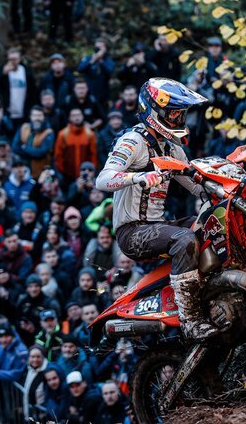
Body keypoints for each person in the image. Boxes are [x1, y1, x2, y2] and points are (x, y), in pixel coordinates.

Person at [95, 77, 218, 341]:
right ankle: (191, 321)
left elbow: (195, 184)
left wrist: (222, 181)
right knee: (185, 239)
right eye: (173, 113)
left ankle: (218, 294)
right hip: (133, 232)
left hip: (158, 225)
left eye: (180, 114)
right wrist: (136, 177)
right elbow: (102, 180)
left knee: (214, 223)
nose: (178, 119)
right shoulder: (132, 141)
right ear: (153, 111)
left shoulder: (172, 147)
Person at [0, 48, 38, 129]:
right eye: (10, 59)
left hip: (24, 112)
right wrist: (3, 73)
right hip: (7, 112)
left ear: (20, 59)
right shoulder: (3, 69)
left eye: (15, 59)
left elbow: (33, 90)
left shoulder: (25, 70)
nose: (13, 61)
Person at [54, 109, 97, 185]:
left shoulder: (89, 134)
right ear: (70, 118)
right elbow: (58, 155)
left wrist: (92, 170)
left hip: (86, 174)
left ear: (82, 117)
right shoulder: (63, 134)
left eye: (78, 115)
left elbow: (93, 154)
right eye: (73, 115)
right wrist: (61, 171)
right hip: (67, 175)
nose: (76, 118)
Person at [12, 106, 55, 179]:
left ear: (44, 117)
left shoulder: (48, 132)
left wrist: (25, 148)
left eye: (39, 115)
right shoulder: (24, 127)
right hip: (24, 170)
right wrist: (32, 152)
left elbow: (41, 152)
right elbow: (15, 147)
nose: (37, 118)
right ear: (30, 117)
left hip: (43, 171)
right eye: (34, 115)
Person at [77, 38, 115, 104]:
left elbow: (110, 72)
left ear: (105, 48)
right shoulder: (88, 58)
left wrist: (101, 61)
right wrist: (92, 61)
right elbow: (80, 69)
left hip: (103, 94)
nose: (98, 50)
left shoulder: (108, 60)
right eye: (97, 47)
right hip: (89, 93)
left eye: (100, 47)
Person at [22, 345, 49, 421]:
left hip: (41, 416)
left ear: (43, 357)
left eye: (38, 357)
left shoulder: (47, 372)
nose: (35, 360)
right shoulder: (29, 369)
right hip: (30, 412)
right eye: (32, 357)